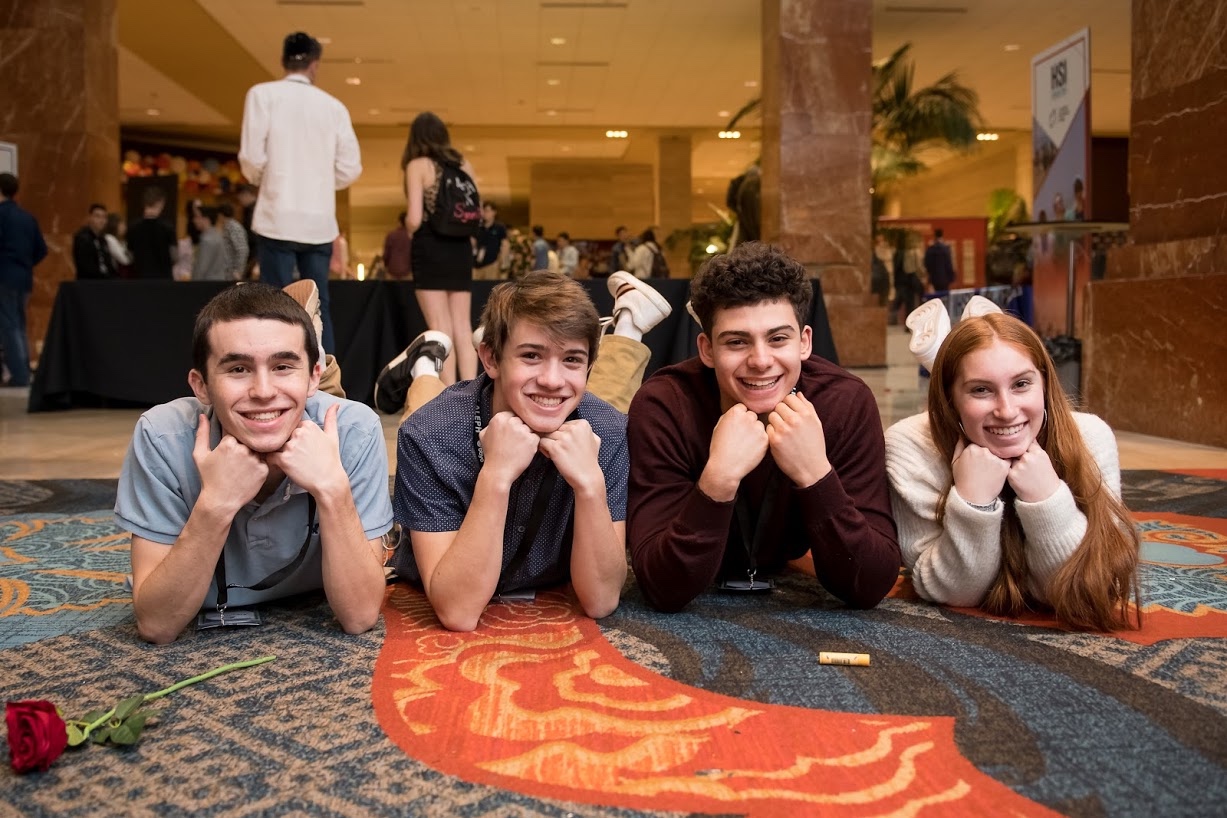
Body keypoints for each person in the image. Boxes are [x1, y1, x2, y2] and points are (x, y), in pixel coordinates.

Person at [388, 271, 672, 631]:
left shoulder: (608, 432)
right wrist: (496, 476)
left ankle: (426, 364)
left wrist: (590, 485)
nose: (553, 379)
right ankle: (425, 369)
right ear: (490, 359)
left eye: (572, 360)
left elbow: (601, 601)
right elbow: (458, 611)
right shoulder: (429, 435)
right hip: (453, 416)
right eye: (532, 355)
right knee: (427, 405)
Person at [626, 242, 900, 612]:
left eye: (778, 338)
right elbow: (663, 588)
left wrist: (815, 475)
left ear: (804, 341)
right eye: (737, 342)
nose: (760, 360)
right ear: (706, 349)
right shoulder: (665, 406)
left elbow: (869, 585)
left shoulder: (844, 403)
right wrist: (719, 479)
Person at [114, 283, 391, 645]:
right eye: (238, 368)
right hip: (289, 404)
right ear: (200, 386)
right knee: (277, 406)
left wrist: (332, 489)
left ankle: (419, 375)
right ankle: (300, 342)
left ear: (312, 377)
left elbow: (359, 617)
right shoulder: (162, 435)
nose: (262, 389)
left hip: (313, 405)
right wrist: (215, 505)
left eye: (281, 365)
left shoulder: (357, 430)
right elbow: (156, 625)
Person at [884, 298, 1141, 632]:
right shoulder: (911, 445)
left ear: (1045, 384)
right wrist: (972, 501)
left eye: (1022, 384)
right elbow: (949, 590)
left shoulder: (1090, 436)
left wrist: (1047, 499)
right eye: (981, 390)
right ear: (950, 400)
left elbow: (1097, 588)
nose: (1006, 410)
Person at [239, 31, 362, 353]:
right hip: (318, 220)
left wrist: (271, 179)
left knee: (273, 307)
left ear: (283, 60)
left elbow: (251, 158)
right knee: (318, 308)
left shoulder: (261, 95)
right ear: (315, 65)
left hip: (276, 215)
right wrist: (320, 181)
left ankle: (278, 377)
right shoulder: (333, 107)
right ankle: (327, 385)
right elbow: (350, 168)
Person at [402, 111, 478, 385]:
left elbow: (413, 218)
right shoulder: (463, 164)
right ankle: (471, 390)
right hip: (460, 249)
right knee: (462, 324)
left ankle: (449, 393)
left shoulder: (418, 164)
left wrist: (411, 230)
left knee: (439, 325)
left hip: (430, 245)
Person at [0, 173, 47, 387]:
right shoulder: (27, 217)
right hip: (24, 277)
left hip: (4, 275)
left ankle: (19, 375)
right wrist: (25, 264)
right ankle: (24, 370)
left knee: (9, 325)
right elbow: (41, 249)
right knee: (19, 324)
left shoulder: (1, 214)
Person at [126, 187, 177, 280]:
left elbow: (129, 256)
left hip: (140, 279)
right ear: (160, 203)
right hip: (164, 280)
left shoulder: (133, 227)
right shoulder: (168, 227)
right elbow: (174, 256)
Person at [72, 203, 116, 280]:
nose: (101, 220)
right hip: (89, 283)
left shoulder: (103, 239)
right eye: (97, 216)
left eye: (104, 217)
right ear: (90, 217)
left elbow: (108, 263)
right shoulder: (82, 238)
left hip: (105, 282)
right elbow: (85, 267)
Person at [191, 207, 229, 281]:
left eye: (197, 217)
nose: (194, 220)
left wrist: (191, 285)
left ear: (206, 219)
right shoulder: (217, 235)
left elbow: (201, 269)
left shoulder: (208, 239)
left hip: (207, 283)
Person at [473, 202, 508, 281]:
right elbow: (473, 242)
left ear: (494, 212)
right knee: (475, 287)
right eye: (484, 211)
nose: (485, 213)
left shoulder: (499, 227)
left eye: (487, 211)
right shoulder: (478, 227)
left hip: (492, 263)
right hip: (476, 263)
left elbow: (505, 245)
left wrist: (503, 262)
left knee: (490, 287)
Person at [217, 202, 250, 280]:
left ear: (220, 215)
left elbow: (242, 250)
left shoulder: (234, 227)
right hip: (228, 271)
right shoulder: (228, 226)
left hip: (233, 272)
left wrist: (238, 271)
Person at [923, 228, 956, 292]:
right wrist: (952, 277)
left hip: (934, 278)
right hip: (945, 278)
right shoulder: (946, 249)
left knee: (937, 295)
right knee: (944, 295)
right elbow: (949, 264)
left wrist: (930, 274)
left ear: (935, 236)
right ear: (942, 236)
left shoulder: (931, 249)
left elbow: (927, 264)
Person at [382, 212, 412, 280]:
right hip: (408, 271)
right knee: (406, 290)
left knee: (391, 290)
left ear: (399, 222)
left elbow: (386, 254)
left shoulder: (391, 235)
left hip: (392, 270)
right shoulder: (412, 236)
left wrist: (385, 265)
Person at [103, 213, 133, 277]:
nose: (125, 227)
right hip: (113, 276)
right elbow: (125, 260)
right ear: (114, 225)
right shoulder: (109, 238)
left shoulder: (122, 240)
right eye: (122, 224)